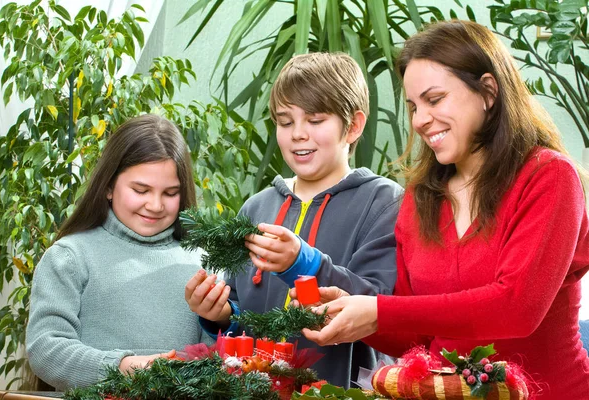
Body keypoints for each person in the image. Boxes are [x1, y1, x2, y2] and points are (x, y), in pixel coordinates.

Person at [300, 20, 589, 399]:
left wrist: (379, 311)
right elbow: (414, 334)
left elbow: (516, 308)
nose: (420, 120)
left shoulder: (549, 176)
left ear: (488, 91)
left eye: (434, 100)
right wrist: (353, 315)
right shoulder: (422, 195)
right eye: (413, 106)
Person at [185, 52, 404, 388]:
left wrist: (302, 263)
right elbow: (241, 310)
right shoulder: (256, 208)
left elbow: (382, 306)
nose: (298, 134)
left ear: (354, 126)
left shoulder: (383, 202)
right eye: (285, 122)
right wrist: (219, 314)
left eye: (315, 120)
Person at [27, 114, 213, 390]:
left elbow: (219, 359)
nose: (155, 205)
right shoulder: (70, 257)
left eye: (170, 193)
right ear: (109, 187)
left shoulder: (201, 263)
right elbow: (46, 348)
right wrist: (122, 368)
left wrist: (220, 319)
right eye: (141, 190)